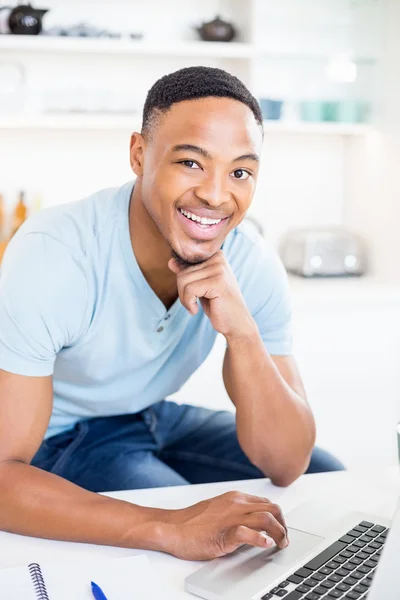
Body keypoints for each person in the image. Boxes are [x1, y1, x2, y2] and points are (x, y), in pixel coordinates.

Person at [0, 66, 343, 561]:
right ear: (139, 154)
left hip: (152, 415)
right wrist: (169, 526)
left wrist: (241, 331)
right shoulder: (56, 253)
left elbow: (287, 462)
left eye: (240, 171)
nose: (216, 195)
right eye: (190, 162)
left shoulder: (251, 259)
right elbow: (4, 472)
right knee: (205, 534)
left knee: (324, 475)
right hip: (59, 437)